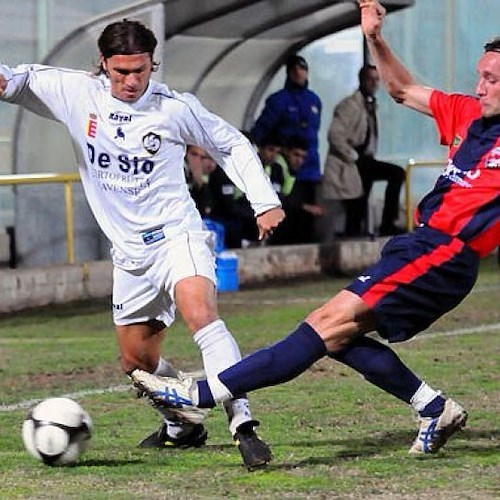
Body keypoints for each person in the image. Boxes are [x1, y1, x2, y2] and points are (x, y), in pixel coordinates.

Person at [131, 0, 500, 456]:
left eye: (492, 79)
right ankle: (432, 407)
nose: (479, 86)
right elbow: (403, 90)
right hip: (419, 246)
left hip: (444, 254)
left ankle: (198, 396)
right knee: (340, 338)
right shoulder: (465, 112)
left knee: (324, 324)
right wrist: (375, 38)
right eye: (480, 74)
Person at [0, 19, 285, 470]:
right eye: (121, 72)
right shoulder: (76, 94)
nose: (132, 81)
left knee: (201, 313)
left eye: (141, 71)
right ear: (103, 65)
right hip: (130, 255)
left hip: (177, 235)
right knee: (137, 364)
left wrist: (264, 200)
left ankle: (244, 425)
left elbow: (228, 142)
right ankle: (183, 425)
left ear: (152, 64)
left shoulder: (173, 107)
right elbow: (16, 81)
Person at [322, 64, 406, 237]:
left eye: (377, 79)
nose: (374, 83)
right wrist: (351, 155)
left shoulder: (369, 104)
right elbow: (334, 135)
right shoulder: (350, 105)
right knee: (363, 197)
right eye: (371, 79)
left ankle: (379, 227)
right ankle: (380, 227)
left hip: (364, 159)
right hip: (354, 160)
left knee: (362, 197)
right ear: (362, 80)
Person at [251, 54, 322, 242]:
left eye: (303, 68)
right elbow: (261, 130)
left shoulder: (314, 100)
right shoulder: (278, 100)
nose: (299, 73)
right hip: (286, 169)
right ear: (289, 73)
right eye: (295, 69)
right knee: (288, 210)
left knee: (308, 218)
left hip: (310, 169)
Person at [268, 136, 325, 245]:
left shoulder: (293, 172)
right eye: (296, 155)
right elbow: (277, 200)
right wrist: (305, 207)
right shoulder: (277, 168)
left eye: (303, 157)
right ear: (286, 152)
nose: (299, 160)